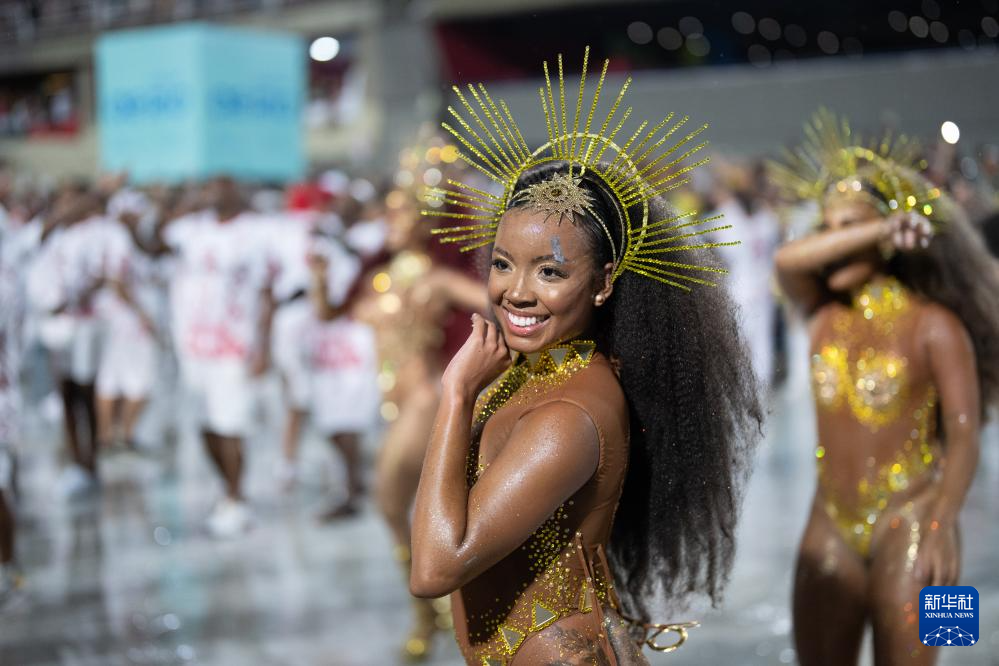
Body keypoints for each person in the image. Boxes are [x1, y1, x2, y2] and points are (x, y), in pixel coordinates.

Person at [409, 49, 760, 665]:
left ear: (603, 283)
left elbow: (435, 568)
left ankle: (948, 621)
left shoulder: (568, 417)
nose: (516, 292)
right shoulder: (537, 370)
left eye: (550, 271)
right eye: (502, 264)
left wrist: (457, 397)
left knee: (927, 638)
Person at [771, 109, 999, 666]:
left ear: (892, 242)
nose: (833, 243)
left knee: (940, 651)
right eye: (827, 230)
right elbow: (785, 260)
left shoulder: (936, 325)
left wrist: (943, 524)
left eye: (848, 227)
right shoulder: (822, 315)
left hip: (922, 522)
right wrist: (876, 228)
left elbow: (966, 437)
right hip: (828, 525)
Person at [352, 183, 489, 660]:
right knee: (400, 510)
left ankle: (442, 607)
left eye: (401, 212)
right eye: (388, 211)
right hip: (390, 406)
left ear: (426, 222)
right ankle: (435, 610)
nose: (390, 219)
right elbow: (336, 311)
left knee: (393, 503)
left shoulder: (434, 276)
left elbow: (496, 301)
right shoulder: (382, 276)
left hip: (422, 402)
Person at [130, 177, 273, 537]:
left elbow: (266, 291)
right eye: (210, 187)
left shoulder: (253, 233)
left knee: (231, 425)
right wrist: (167, 206)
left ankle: (238, 499)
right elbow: (152, 246)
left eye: (224, 187)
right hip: (192, 348)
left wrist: (263, 347)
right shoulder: (190, 229)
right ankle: (226, 491)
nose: (215, 193)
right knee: (204, 425)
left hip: (233, 347)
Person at [94, 189, 160, 454]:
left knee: (112, 377)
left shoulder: (115, 236)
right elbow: (117, 281)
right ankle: (123, 434)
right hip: (127, 321)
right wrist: (142, 314)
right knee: (138, 379)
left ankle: (109, 436)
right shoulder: (119, 239)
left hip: (116, 318)